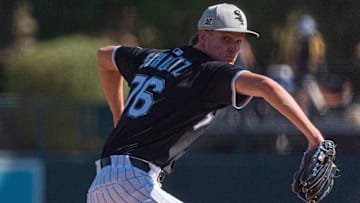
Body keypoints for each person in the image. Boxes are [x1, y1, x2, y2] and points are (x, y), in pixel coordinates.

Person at [87, 3, 325, 202]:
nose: (233, 47)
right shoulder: (208, 71)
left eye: (238, 40)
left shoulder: (154, 57)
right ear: (203, 36)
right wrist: (314, 136)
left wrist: (119, 118)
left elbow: (104, 57)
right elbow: (267, 86)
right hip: (132, 183)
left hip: (102, 187)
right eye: (226, 38)